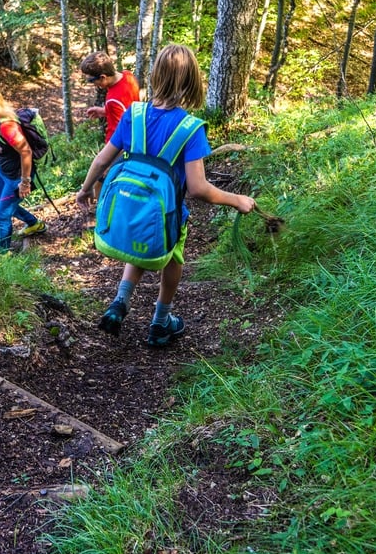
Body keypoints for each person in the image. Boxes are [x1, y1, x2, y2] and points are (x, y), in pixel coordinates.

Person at [75, 44, 256, 347]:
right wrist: (237, 199)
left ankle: (120, 301)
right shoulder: (190, 129)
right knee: (172, 258)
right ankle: (161, 321)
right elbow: (198, 189)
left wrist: (84, 190)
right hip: (167, 215)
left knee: (140, 234)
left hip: (130, 208)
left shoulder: (134, 114)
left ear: (156, 75)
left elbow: (102, 160)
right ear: (191, 82)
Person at [0, 85, 46, 252]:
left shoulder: (6, 125)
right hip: (3, 171)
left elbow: (25, 151)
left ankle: (3, 253)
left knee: (2, 216)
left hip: (17, 177)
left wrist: (25, 182)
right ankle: (34, 224)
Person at [80, 51, 140, 199]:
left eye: (92, 81)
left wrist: (111, 158)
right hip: (130, 136)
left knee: (101, 176)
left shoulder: (113, 98)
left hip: (115, 145)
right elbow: (128, 109)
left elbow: (125, 129)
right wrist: (104, 111)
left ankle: (99, 210)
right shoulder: (128, 76)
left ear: (103, 77)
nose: (93, 84)